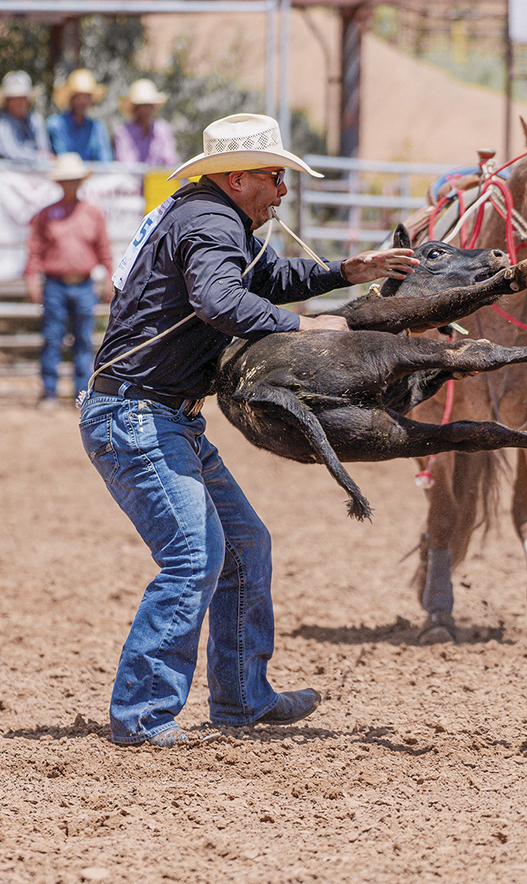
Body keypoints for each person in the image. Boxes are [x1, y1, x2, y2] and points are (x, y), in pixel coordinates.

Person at [78, 112, 419, 748]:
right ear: (238, 179)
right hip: (140, 417)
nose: (282, 190)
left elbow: (261, 281)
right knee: (195, 555)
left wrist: (346, 271)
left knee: (241, 546)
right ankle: (144, 713)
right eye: (274, 176)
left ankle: (241, 699)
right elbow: (219, 302)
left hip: (152, 414)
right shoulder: (211, 222)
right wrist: (306, 330)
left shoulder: (206, 215)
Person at [24, 152, 113, 407]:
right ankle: (49, 391)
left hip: (84, 283)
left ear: (79, 182)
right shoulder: (46, 214)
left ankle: (81, 393)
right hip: (55, 284)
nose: (70, 184)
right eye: (66, 180)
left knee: (84, 339)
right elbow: (35, 249)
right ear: (60, 183)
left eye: (74, 179)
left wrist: (109, 276)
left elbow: (104, 249)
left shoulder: (93, 213)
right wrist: (32, 278)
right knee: (52, 337)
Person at [47, 69, 113, 162]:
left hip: (94, 175)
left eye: (86, 97)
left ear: (91, 101)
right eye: (78, 97)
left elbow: (105, 160)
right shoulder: (56, 124)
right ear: (71, 99)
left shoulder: (97, 127)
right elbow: (63, 156)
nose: (82, 102)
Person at [114, 78, 178, 167]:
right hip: (133, 180)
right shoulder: (124, 133)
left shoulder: (162, 129)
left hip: (158, 179)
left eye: (148, 105)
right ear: (134, 109)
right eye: (141, 106)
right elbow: (126, 165)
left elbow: (170, 161)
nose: (145, 110)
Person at [0, 70, 52, 165]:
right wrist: (36, 156)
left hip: (38, 175)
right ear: (7, 101)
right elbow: (11, 154)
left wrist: (41, 156)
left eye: (23, 98)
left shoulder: (36, 121)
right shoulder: (2, 125)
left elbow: (45, 152)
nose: (20, 102)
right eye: (15, 98)